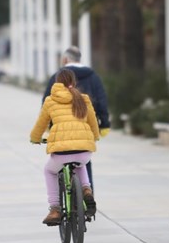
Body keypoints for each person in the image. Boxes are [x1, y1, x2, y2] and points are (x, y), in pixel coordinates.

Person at [31, 68, 100, 226]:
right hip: (83, 150)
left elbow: (40, 124)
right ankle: (87, 190)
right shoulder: (83, 98)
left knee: (49, 171)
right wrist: (95, 137)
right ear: (73, 82)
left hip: (61, 153)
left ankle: (55, 208)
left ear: (57, 82)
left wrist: (35, 138)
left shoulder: (50, 101)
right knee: (81, 163)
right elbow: (93, 121)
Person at [42, 45, 110, 192]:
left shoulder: (57, 77)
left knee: (58, 164)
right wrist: (104, 124)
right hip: (85, 128)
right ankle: (87, 195)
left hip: (61, 131)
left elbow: (46, 104)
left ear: (65, 59)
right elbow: (102, 100)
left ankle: (60, 204)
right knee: (84, 161)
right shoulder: (93, 76)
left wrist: (48, 126)